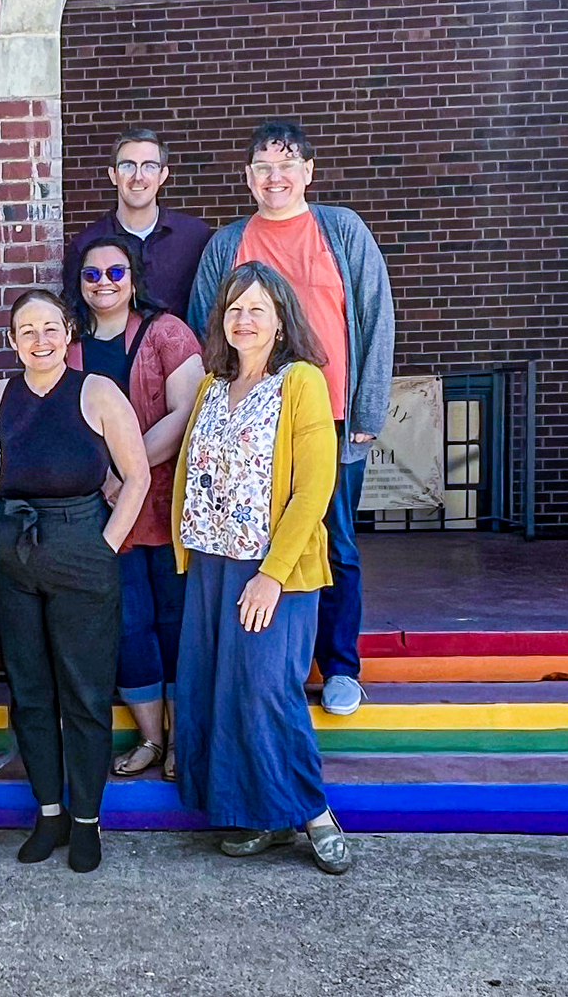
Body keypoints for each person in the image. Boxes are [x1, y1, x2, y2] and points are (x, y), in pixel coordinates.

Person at [187, 120, 395, 717]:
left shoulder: (341, 231)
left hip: (329, 416)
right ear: (248, 178)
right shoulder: (228, 245)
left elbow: (377, 317)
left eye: (287, 165)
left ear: (307, 172)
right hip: (248, 420)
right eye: (262, 167)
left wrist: (369, 406)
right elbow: (206, 328)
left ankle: (340, 667)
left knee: (335, 542)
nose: (274, 177)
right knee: (253, 544)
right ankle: (271, 662)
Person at [173, 260, 351, 875]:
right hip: (210, 562)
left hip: (272, 568)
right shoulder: (210, 386)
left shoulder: (301, 381)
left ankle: (314, 811)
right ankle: (261, 816)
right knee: (219, 691)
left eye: (257, 309)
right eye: (234, 309)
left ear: (280, 321)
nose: (243, 319)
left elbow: (313, 488)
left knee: (267, 689)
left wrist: (272, 574)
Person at [0, 290, 150, 874]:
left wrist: (104, 546)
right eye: (26, 331)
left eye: (50, 327)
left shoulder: (97, 392)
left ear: (68, 332)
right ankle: (48, 811)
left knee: (83, 691)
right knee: (30, 691)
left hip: (82, 546)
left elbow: (136, 477)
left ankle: (85, 819)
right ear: (11, 341)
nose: (39, 340)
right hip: (13, 554)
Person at [65, 235, 203, 784]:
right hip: (101, 510)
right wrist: (107, 480)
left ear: (134, 276)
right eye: (92, 275)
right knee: (127, 625)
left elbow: (185, 411)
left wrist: (127, 472)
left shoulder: (167, 332)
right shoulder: (68, 343)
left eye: (116, 273)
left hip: (165, 503)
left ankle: (181, 741)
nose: (104, 284)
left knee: (175, 623)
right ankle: (150, 737)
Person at [62, 127, 213, 317]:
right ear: (113, 175)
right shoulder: (84, 244)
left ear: (163, 175)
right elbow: (74, 317)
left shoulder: (196, 237)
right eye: (128, 166)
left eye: (149, 166)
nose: (138, 176)